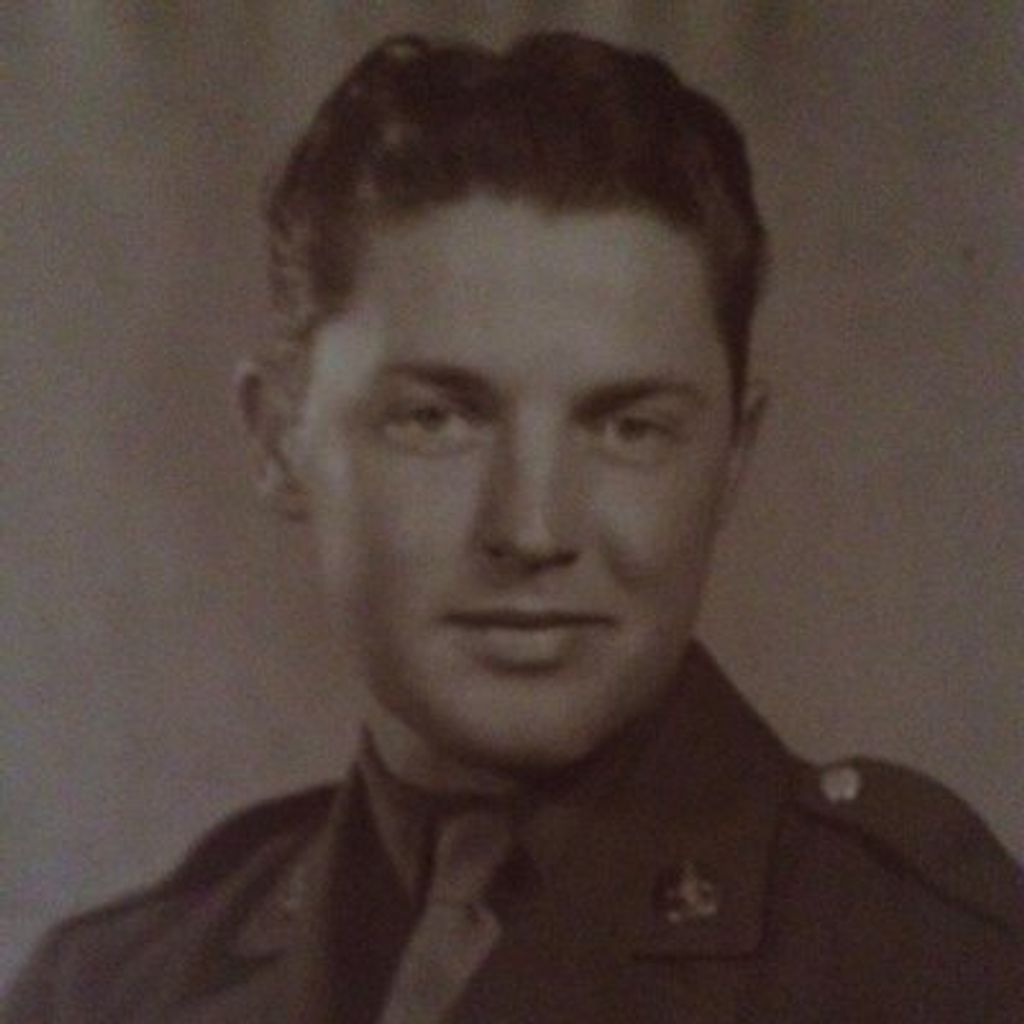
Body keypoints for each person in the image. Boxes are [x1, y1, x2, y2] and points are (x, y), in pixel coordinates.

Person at [4, 31, 1021, 1024]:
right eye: (436, 420)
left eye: (628, 428)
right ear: (280, 440)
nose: (532, 530)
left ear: (732, 457)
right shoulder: (108, 993)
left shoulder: (932, 969)